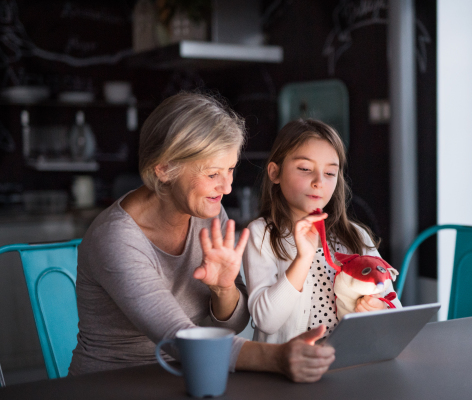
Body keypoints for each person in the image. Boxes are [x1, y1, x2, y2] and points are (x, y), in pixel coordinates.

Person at [68, 93, 334, 383]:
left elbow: (234, 324)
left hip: (192, 375)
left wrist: (223, 289)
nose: (227, 187)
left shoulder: (208, 212)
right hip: (115, 385)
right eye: (212, 174)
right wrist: (278, 357)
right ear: (164, 168)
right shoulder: (116, 238)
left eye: (230, 169)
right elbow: (179, 339)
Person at [243, 119, 401, 344]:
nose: (319, 181)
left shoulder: (355, 236)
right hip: (292, 368)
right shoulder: (262, 235)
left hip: (348, 364)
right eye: (305, 169)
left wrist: (378, 309)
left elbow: (394, 307)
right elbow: (266, 321)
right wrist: (303, 258)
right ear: (275, 173)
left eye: (330, 173)